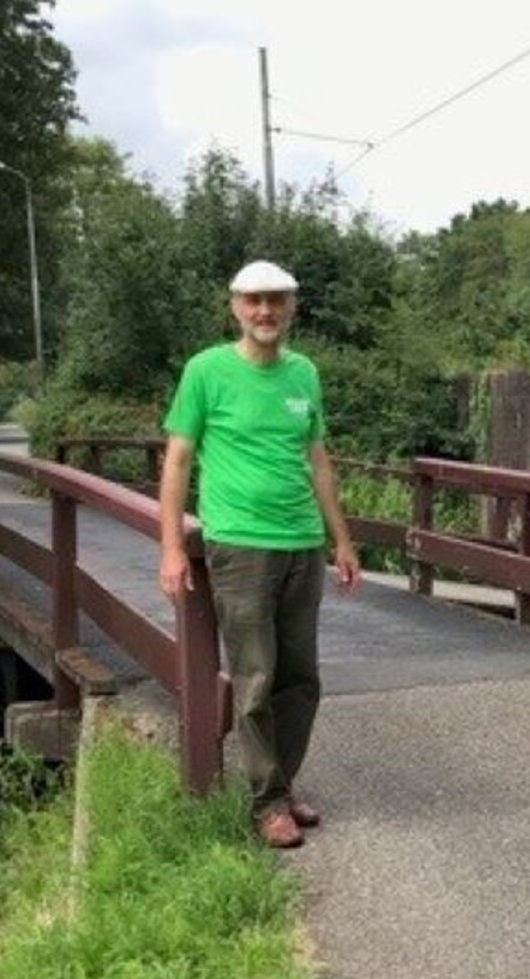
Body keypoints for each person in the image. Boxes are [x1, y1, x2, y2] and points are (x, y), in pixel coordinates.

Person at [157, 259, 361, 848]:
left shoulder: (304, 375)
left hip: (302, 543)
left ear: (292, 307)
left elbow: (318, 461)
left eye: (275, 301)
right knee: (256, 676)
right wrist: (172, 547)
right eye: (254, 301)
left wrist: (340, 538)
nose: (265, 311)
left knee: (302, 679)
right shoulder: (206, 371)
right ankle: (267, 802)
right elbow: (177, 460)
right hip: (241, 545)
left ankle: (282, 781)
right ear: (235, 307)